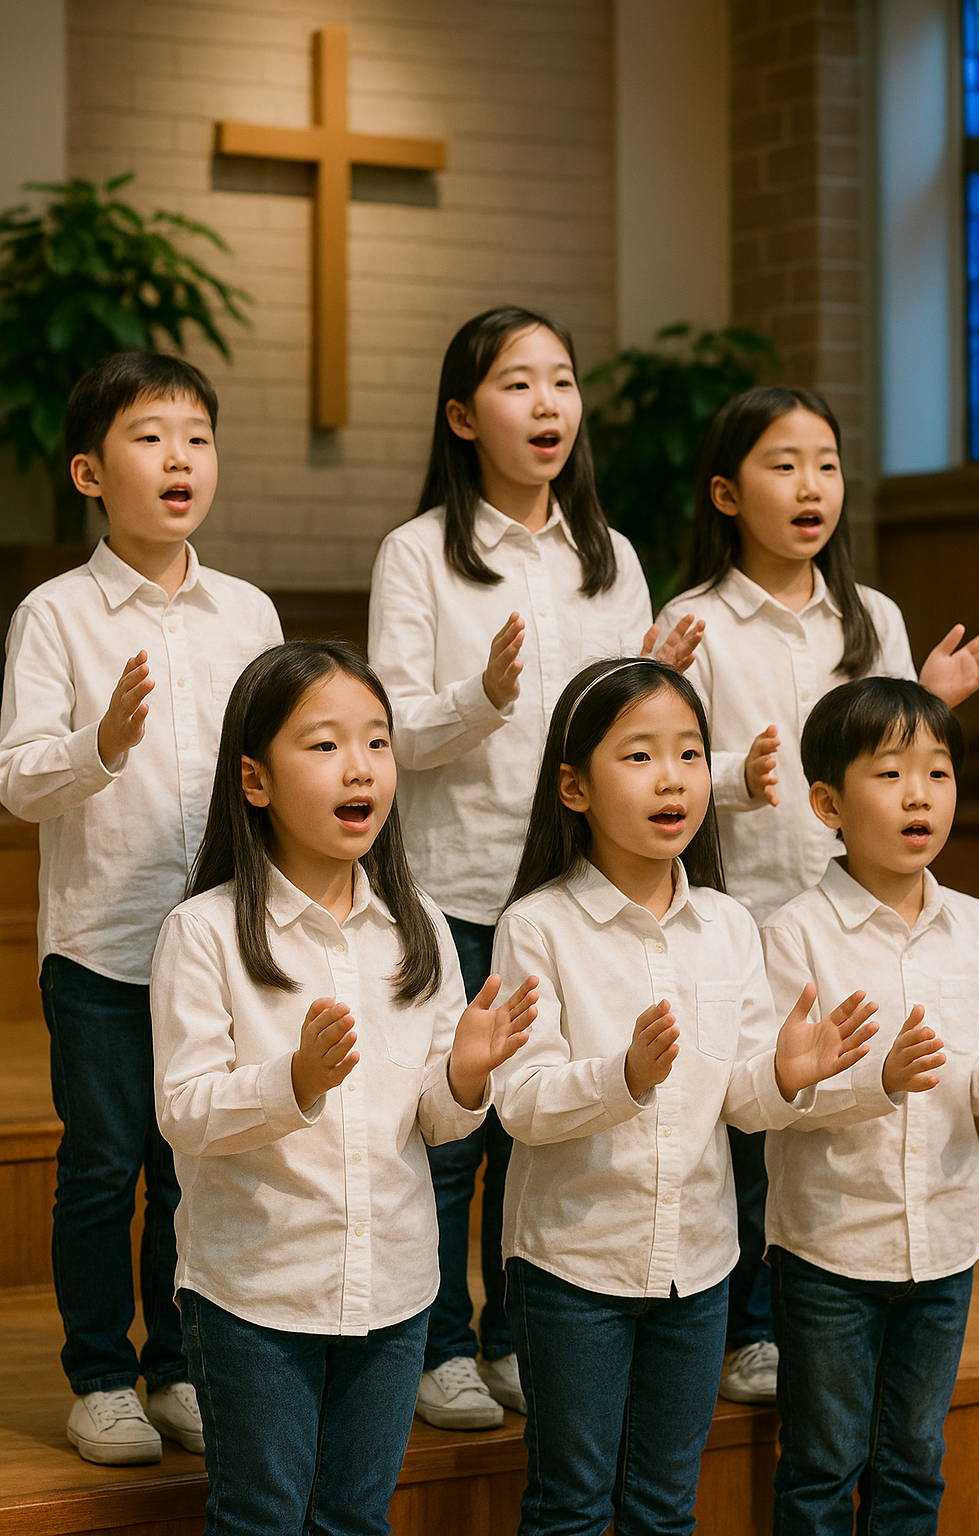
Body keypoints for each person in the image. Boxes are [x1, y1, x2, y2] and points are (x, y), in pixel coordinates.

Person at [368, 305, 702, 1428]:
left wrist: (650, 675)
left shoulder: (612, 559)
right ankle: (440, 1348)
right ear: (464, 417)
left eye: (561, 380)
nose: (548, 403)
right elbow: (392, 731)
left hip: (576, 895)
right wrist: (484, 699)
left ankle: (514, 1336)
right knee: (452, 1133)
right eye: (518, 383)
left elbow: (633, 722)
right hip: (459, 887)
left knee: (545, 1126)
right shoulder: (419, 553)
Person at [655, 385, 979, 1404]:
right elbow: (665, 762)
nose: (811, 485)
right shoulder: (694, 620)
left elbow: (890, 745)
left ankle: (797, 1316)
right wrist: (731, 767)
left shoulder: (872, 617)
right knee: (748, 1118)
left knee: (839, 1104)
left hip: (849, 906)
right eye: (783, 465)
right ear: (726, 493)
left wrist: (928, 699)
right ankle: (746, 1327)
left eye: (826, 464)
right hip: (742, 909)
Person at [149, 640, 537, 1535]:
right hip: (256, 1293)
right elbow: (185, 1113)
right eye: (324, 745)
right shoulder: (203, 932)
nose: (359, 767)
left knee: (357, 1519)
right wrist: (295, 1081)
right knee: (262, 1518)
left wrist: (466, 1076)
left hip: (396, 1286)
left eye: (376, 742)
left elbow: (437, 1122)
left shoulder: (418, 925)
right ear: (254, 780)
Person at [490, 656, 881, 1536]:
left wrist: (787, 1075)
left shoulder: (730, 926)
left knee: (666, 1509)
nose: (672, 778)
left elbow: (740, 1099)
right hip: (573, 1268)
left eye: (691, 754)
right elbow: (521, 1102)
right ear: (573, 787)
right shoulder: (538, 925)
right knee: (569, 1507)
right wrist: (623, 1077)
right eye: (639, 756)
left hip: (699, 1268)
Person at [0, 351, 283, 1465]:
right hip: (103, 949)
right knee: (102, 1165)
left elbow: (277, 767)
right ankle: (100, 1378)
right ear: (89, 472)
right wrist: (102, 742)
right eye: (150, 437)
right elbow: (17, 781)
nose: (180, 458)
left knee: (191, 1165)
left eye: (197, 439)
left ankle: (177, 1367)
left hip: (218, 943)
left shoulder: (248, 612)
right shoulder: (56, 615)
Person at [762, 676, 979, 1535]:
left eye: (938, 772)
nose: (920, 795)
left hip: (944, 1247)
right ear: (828, 803)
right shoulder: (795, 933)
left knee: (914, 1465)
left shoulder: (978, 928)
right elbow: (778, 1098)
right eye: (890, 773)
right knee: (822, 1466)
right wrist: (877, 1078)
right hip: (831, 1250)